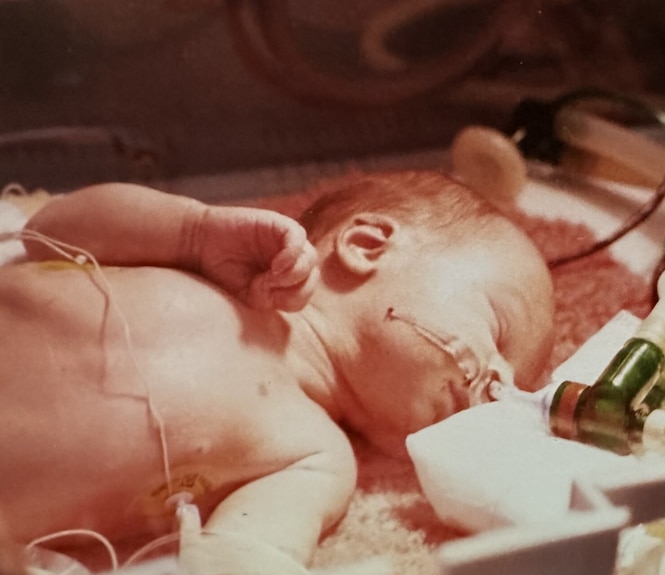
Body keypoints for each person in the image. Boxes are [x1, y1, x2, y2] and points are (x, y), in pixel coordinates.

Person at [0, 170, 554, 574]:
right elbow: (49, 229)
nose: (501, 384)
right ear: (365, 245)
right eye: (499, 329)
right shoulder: (222, 263)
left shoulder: (319, 459)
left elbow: (241, 557)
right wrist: (191, 231)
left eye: (519, 383)